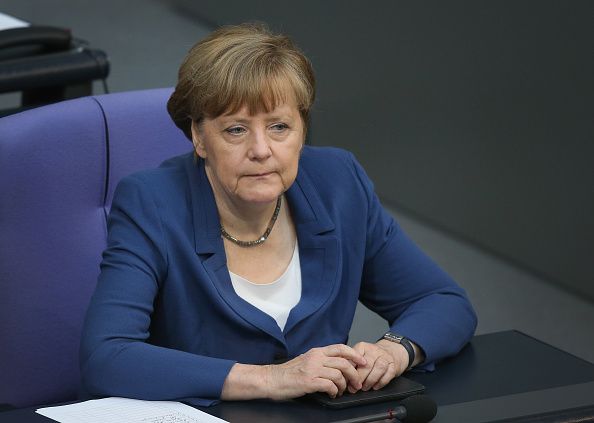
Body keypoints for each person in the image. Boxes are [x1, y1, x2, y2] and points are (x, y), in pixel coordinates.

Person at [80, 23, 477, 407]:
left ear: (303, 129)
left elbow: (442, 300)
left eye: (279, 127)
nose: (261, 150)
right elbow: (108, 355)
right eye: (236, 130)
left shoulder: (339, 183)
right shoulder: (151, 201)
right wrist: (271, 378)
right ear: (199, 137)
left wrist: (394, 352)